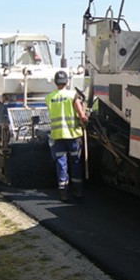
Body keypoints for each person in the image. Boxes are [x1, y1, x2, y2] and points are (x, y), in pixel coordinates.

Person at [45, 70, 88, 201]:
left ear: (55, 82)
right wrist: (85, 119)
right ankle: (77, 191)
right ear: (67, 82)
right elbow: (81, 115)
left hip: (57, 135)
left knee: (61, 162)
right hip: (73, 135)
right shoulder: (72, 95)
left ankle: (63, 192)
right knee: (75, 161)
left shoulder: (49, 97)